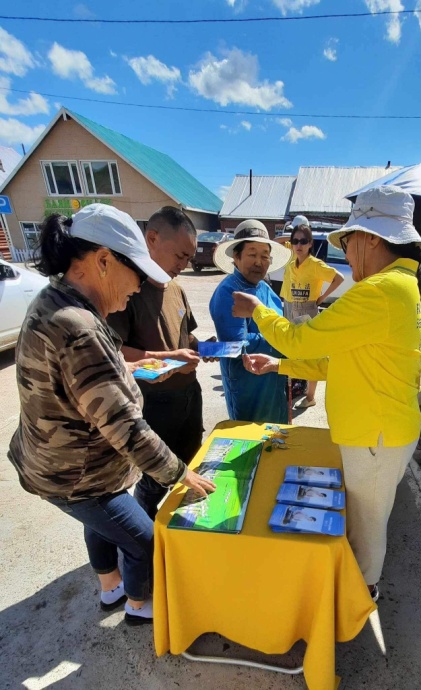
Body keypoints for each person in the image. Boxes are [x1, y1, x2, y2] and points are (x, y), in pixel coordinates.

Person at [8, 204, 216, 626]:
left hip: (68, 466)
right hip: (77, 474)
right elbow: (124, 425)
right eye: (135, 272)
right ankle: (139, 607)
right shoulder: (78, 326)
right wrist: (180, 475)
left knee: (110, 528)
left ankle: (112, 588)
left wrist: (140, 365)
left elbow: (90, 376)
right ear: (103, 261)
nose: (138, 286)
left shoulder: (58, 300)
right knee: (145, 541)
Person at [232, 185, 421, 603]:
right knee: (364, 519)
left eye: (349, 241)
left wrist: (259, 312)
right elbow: (336, 362)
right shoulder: (401, 287)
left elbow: (301, 340)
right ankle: (357, 589)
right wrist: (278, 366)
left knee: (365, 528)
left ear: (371, 239)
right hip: (383, 431)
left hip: (374, 436)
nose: (346, 252)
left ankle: (360, 596)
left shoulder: (379, 291)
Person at [107, 206, 212, 520]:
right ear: (151, 239)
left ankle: (178, 525)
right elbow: (113, 352)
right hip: (153, 401)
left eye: (189, 257)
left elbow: (185, 337)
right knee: (156, 477)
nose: (184, 264)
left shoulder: (176, 288)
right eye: (180, 255)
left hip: (189, 395)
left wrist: (208, 348)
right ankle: (146, 525)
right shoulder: (129, 290)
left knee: (190, 462)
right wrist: (169, 359)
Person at [209, 219, 291, 423]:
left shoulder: (266, 290)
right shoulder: (229, 292)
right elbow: (236, 346)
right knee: (251, 437)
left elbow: (282, 325)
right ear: (236, 257)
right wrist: (285, 338)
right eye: (252, 254)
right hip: (248, 387)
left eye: (264, 256)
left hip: (274, 382)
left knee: (277, 436)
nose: (259, 262)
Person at [281, 215, 344, 408]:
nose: (298, 245)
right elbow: (274, 243)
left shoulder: (315, 265)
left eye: (303, 241)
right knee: (292, 350)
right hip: (291, 308)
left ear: (310, 244)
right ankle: (294, 388)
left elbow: (339, 278)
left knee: (312, 354)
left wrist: (322, 297)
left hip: (307, 311)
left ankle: (310, 397)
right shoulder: (292, 260)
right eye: (295, 241)